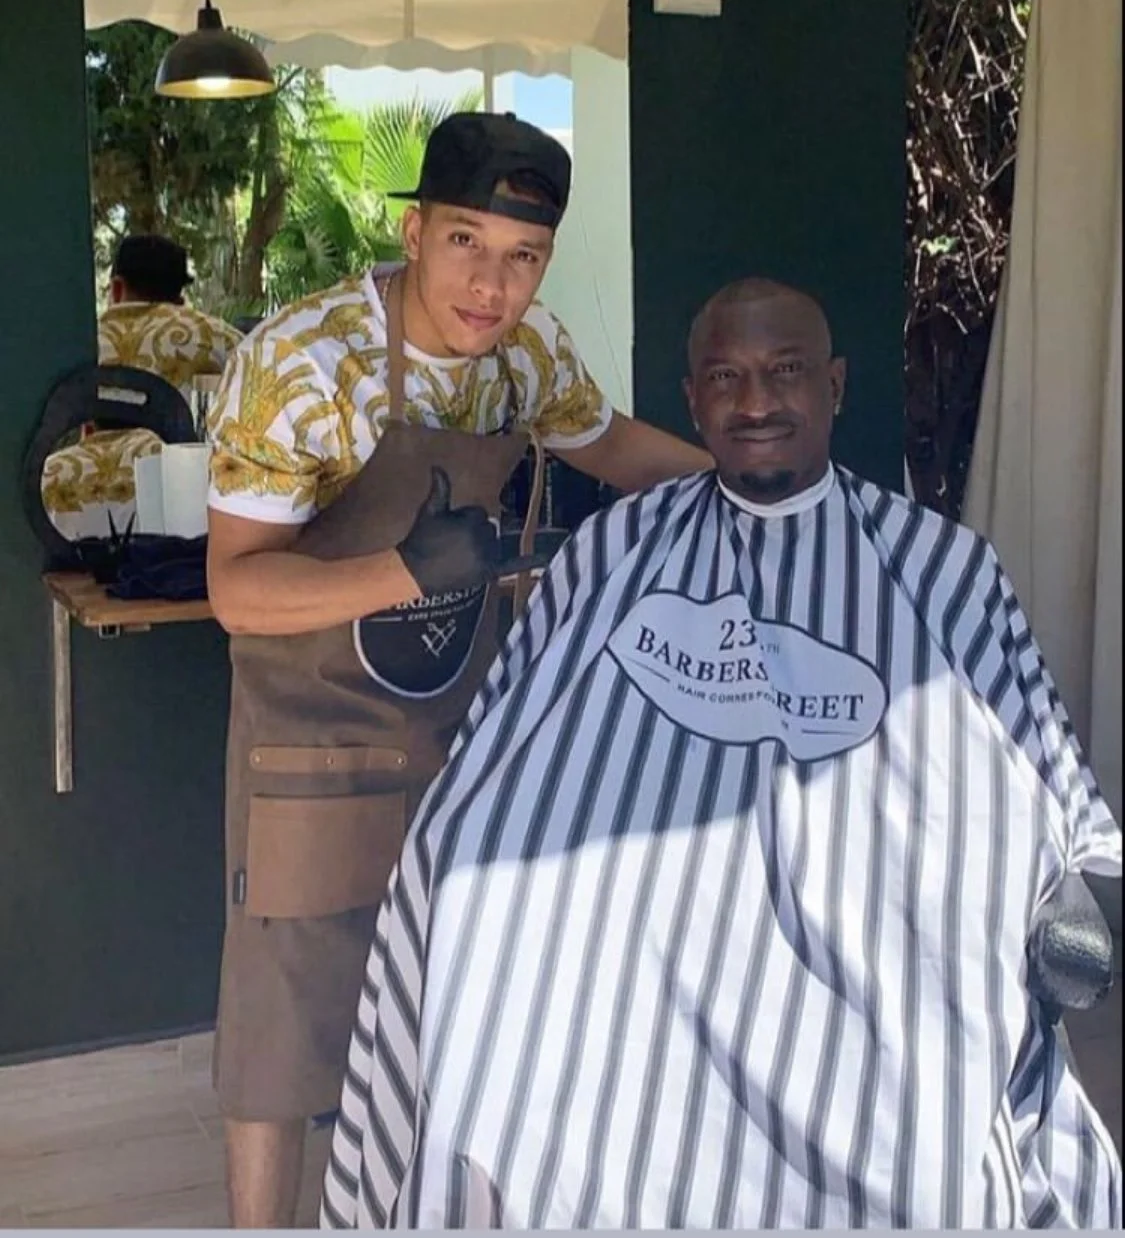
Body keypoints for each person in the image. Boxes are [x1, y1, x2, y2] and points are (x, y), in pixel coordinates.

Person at [320, 277, 1123, 1230]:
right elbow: (508, 732)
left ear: (832, 386)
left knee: (922, 1002)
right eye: (725, 378)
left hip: (870, 909)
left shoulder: (940, 566)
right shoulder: (613, 550)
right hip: (638, 922)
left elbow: (1044, 756)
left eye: (784, 374)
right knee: (484, 920)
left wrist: (1090, 864)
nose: (754, 403)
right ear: (691, 398)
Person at [204, 111, 711, 1228]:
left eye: (523, 256)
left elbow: (615, 447)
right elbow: (239, 589)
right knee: (285, 1026)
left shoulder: (525, 360)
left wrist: (745, 489)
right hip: (315, 737)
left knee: (457, 1000)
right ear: (415, 228)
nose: (491, 285)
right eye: (465, 244)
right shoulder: (302, 365)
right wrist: (399, 568)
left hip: (462, 737)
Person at [41, 234, 241, 540]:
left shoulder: (77, 342)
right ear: (179, 295)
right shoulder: (222, 340)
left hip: (71, 519)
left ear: (118, 287)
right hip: (189, 525)